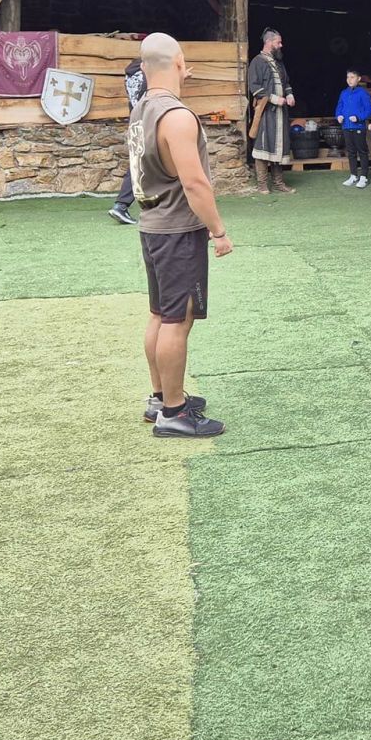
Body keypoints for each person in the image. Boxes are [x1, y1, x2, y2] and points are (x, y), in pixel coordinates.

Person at [130, 32, 231, 438]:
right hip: (177, 230)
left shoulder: (140, 110)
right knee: (177, 319)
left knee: (160, 314)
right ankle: (173, 412)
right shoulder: (177, 116)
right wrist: (218, 231)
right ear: (179, 63)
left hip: (152, 225)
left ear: (143, 68)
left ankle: (161, 398)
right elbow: (195, 182)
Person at [247, 28, 296, 195]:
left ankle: (278, 183)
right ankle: (262, 184)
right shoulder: (257, 62)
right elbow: (254, 87)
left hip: (281, 113)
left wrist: (289, 95)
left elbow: (286, 82)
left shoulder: (279, 62)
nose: (281, 45)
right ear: (268, 42)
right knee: (263, 145)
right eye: (278, 42)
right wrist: (274, 99)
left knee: (279, 146)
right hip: (265, 112)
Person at [107, 55, 148, 225]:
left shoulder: (131, 74)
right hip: (148, 122)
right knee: (140, 165)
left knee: (140, 164)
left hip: (136, 122)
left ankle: (122, 205)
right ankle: (121, 206)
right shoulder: (148, 72)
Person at [334, 68, 371, 187]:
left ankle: (364, 176)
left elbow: (369, 110)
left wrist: (358, 117)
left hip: (359, 126)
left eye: (352, 77)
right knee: (351, 152)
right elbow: (339, 107)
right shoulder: (344, 93)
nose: (349, 80)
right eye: (348, 77)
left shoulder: (363, 93)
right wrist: (339, 116)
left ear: (358, 79)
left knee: (362, 151)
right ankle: (353, 175)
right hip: (346, 126)